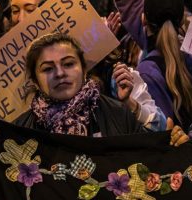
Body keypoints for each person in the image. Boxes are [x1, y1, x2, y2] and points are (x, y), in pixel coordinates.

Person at [16, 32, 148, 136]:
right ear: (35, 81)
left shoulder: (118, 113)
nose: (60, 73)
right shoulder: (20, 132)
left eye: (68, 64)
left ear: (84, 69)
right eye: (48, 69)